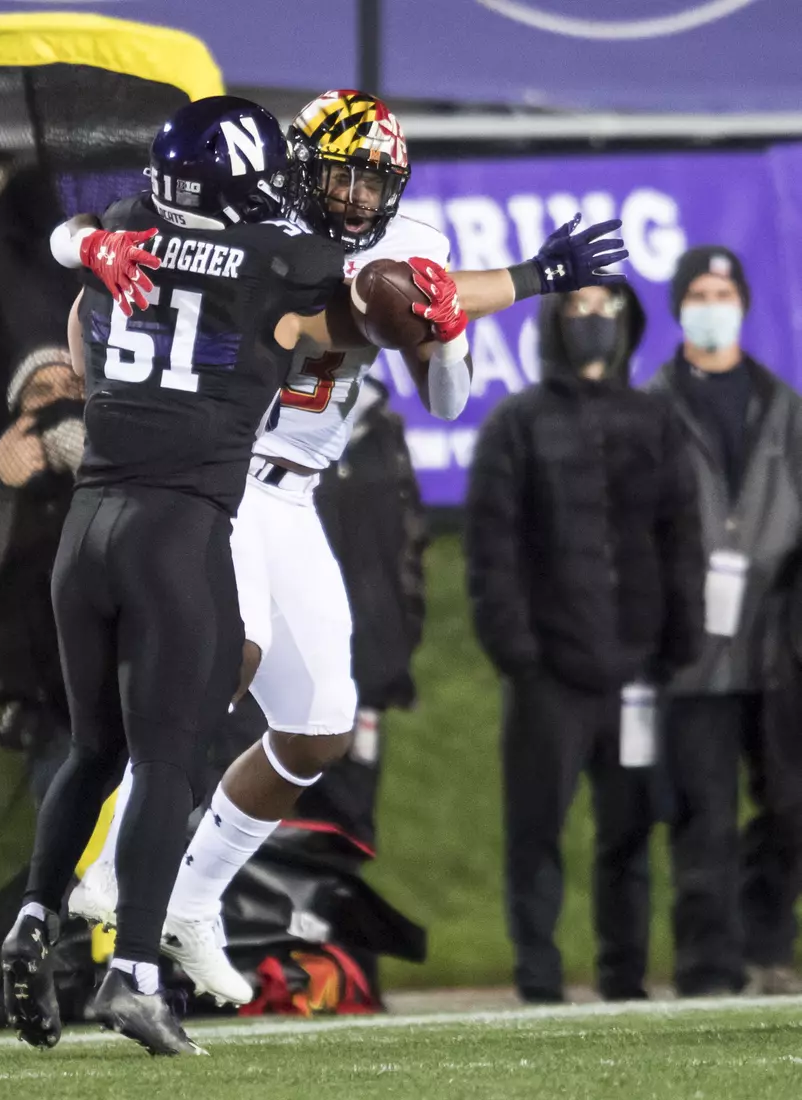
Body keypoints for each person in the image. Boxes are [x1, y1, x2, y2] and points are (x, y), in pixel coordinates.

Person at [55, 89, 630, 1007]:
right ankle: (116, 867)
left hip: (298, 492)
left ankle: (193, 903)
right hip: (220, 469)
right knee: (223, 661)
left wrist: (446, 334)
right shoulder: (259, 228)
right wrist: (524, 278)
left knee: (318, 728)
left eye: (373, 182)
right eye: (342, 176)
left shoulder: (413, 242)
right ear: (298, 167)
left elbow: (445, 397)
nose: (357, 198)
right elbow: (363, 291)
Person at [0, 94, 375, 1058]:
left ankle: (34, 917)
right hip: (178, 528)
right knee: (167, 759)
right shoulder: (279, 260)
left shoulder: (126, 229)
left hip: (88, 527)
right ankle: (132, 972)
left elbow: (73, 242)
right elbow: (369, 302)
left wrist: (86, 246)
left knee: (94, 751)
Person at [465, 283, 705, 1004]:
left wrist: (678, 642)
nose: (594, 320)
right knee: (535, 832)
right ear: (554, 321)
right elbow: (492, 553)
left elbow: (681, 537)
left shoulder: (656, 421)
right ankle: (539, 982)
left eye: (607, 308)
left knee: (630, 834)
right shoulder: (516, 424)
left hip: (637, 671)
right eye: (578, 308)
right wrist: (518, 653)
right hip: (548, 677)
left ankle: (624, 981)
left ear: (626, 321)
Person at [649, 247, 802, 997]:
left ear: (742, 302)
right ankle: (707, 967)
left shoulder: (783, 406)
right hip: (692, 650)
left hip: (777, 649)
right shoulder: (655, 408)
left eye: (723, 292)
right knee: (702, 817)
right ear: (680, 307)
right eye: (700, 294)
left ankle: (768, 944)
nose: (713, 305)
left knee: (792, 807)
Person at [0, 349, 83, 804]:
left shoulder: (124, 465)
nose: (59, 400)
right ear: (18, 411)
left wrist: (92, 466)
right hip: (50, 712)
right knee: (72, 833)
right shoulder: (1, 471)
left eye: (73, 387)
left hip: (131, 697)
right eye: (41, 391)